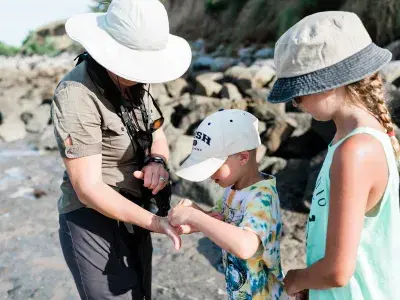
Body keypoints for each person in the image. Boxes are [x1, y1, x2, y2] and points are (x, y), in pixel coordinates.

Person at [51, 0, 191, 298]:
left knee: (139, 293)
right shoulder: (76, 94)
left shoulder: (136, 85)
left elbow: (158, 134)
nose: (143, 72)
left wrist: (157, 161)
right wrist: (156, 222)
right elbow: (88, 187)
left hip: (135, 210)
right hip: (92, 218)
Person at [267, 11, 400, 300]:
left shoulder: (355, 151)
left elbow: (337, 271)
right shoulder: (357, 139)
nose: (295, 101)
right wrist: (314, 284)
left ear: (331, 82)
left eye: (299, 91)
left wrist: (297, 279)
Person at [168, 109, 289, 299]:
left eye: (214, 167)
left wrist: (195, 217)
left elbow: (245, 246)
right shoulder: (234, 189)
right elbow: (219, 219)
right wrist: (196, 216)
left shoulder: (262, 197)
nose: (210, 175)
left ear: (242, 157)